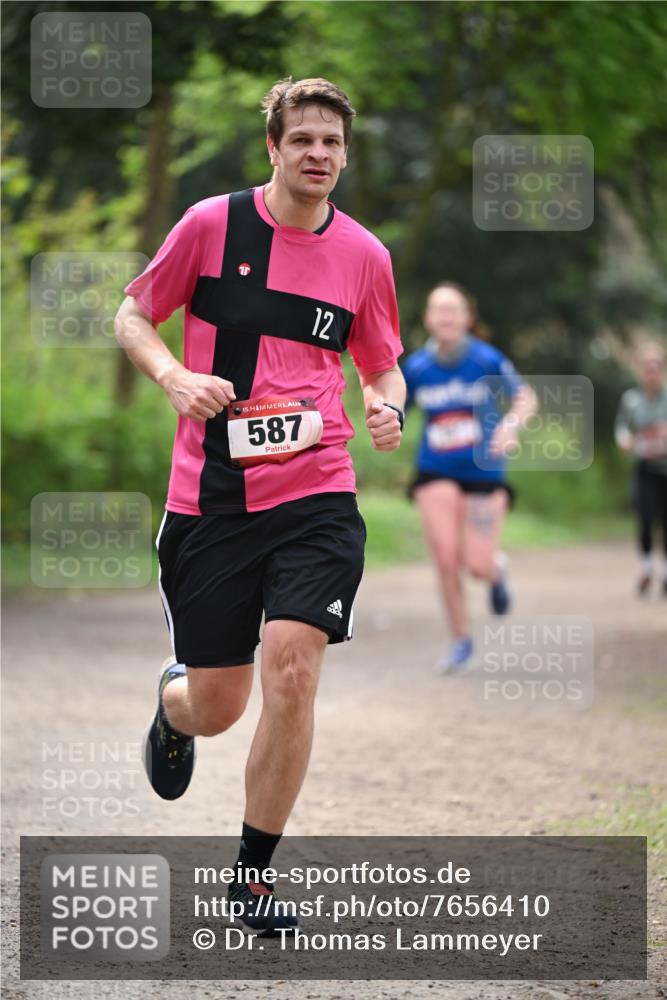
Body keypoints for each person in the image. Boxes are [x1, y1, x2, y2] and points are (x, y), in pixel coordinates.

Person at [114, 77, 405, 934]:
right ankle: (174, 706)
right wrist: (173, 376)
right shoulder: (211, 225)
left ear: (345, 156)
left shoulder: (365, 256)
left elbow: (379, 363)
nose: (319, 154)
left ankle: (251, 876)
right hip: (211, 499)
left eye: (332, 142)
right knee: (218, 707)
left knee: (294, 667)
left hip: (318, 490)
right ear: (273, 148)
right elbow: (133, 314)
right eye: (302, 139)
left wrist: (386, 404)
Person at [402, 282, 536, 675]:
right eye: (438, 309)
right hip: (435, 470)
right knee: (446, 557)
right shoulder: (417, 367)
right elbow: (395, 404)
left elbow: (525, 397)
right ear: (428, 318)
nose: (445, 317)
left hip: (484, 470)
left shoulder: (486, 359)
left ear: (467, 318)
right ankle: (461, 640)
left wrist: (511, 425)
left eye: (453, 309)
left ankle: (496, 571)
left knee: (476, 564)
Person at [615, 341, 667, 596]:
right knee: (645, 517)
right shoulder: (631, 400)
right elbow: (622, 428)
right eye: (647, 367)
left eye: (655, 367)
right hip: (644, 467)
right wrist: (625, 441)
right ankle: (646, 567)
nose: (651, 372)